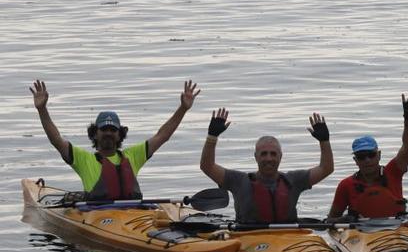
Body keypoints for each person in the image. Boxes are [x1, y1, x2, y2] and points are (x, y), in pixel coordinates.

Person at [30, 79, 201, 201]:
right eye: (104, 129)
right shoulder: (84, 159)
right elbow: (56, 139)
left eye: (113, 130)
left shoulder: (133, 155)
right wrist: (42, 109)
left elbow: (163, 136)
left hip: (131, 215)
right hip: (95, 215)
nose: (108, 133)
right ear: (95, 133)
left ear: (120, 135)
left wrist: (183, 109)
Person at [199, 108, 334, 223]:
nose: (269, 158)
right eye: (264, 154)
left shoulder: (294, 180)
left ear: (280, 157)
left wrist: (324, 141)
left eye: (273, 154)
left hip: (289, 237)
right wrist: (212, 136)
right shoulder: (238, 181)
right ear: (256, 157)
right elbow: (207, 166)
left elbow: (326, 169)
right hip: (248, 237)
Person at [327, 93, 408, 221]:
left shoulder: (393, 172)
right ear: (355, 161)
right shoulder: (346, 185)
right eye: (361, 157)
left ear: (379, 155)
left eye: (371, 155)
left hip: (395, 230)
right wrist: (344, 219)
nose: (367, 160)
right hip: (360, 234)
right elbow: (331, 220)